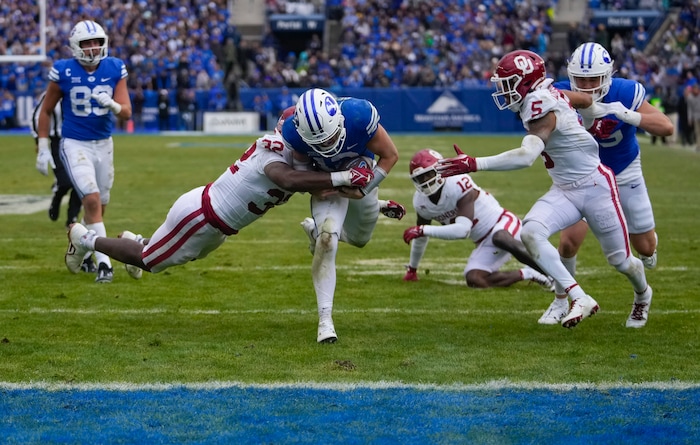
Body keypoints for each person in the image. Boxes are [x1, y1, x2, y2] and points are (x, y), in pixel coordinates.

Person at [437, 49, 652, 329]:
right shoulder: (548, 92)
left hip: (595, 186)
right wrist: (591, 118)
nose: (503, 91)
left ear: (525, 82)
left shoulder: (540, 103)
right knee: (530, 232)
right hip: (564, 188)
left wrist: (474, 163)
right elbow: (585, 99)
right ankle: (576, 296)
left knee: (621, 262)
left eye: (507, 84)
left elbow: (526, 157)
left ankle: (642, 295)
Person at [64, 107, 376, 285]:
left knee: (169, 255)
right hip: (201, 216)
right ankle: (85, 239)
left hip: (217, 226)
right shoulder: (273, 149)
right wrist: (344, 175)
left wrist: (372, 196)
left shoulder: (302, 160)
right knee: (150, 262)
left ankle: (134, 238)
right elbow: (288, 179)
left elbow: (321, 189)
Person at [552, 42, 673, 327]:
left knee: (643, 247)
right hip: (585, 177)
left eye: (593, 78)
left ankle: (647, 267)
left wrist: (628, 115)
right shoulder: (558, 92)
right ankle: (565, 300)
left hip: (624, 171)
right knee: (568, 243)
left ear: (607, 75)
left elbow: (667, 127)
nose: (586, 85)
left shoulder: (625, 92)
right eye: (580, 79)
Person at [280, 88, 405, 343]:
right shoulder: (293, 131)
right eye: (320, 142)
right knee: (328, 240)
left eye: (330, 137)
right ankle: (325, 320)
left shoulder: (358, 114)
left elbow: (390, 155)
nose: (327, 145)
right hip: (326, 184)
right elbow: (303, 177)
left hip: (361, 177)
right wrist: (320, 185)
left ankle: (374, 206)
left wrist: (365, 191)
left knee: (360, 240)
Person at [37, 20, 133, 283]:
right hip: (75, 143)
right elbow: (46, 110)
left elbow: (126, 113)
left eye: (97, 42)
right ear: (75, 46)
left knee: (100, 205)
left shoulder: (114, 67)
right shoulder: (63, 71)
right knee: (90, 200)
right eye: (86, 43)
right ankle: (105, 265)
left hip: (104, 144)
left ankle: (80, 241)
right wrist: (43, 146)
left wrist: (113, 105)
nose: (92, 48)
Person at [402, 149, 553, 291]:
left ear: (440, 170)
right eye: (419, 178)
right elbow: (420, 238)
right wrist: (413, 268)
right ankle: (530, 273)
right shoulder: (421, 202)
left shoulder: (457, 182)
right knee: (474, 278)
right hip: (484, 241)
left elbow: (463, 230)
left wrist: (423, 230)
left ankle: (553, 276)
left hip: (502, 223)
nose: (424, 180)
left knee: (500, 238)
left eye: (428, 174)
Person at [31, 91, 84, 231]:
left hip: (79, 141)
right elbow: (37, 116)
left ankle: (72, 218)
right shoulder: (50, 94)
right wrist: (39, 140)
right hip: (58, 142)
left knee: (82, 182)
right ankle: (58, 194)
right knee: (66, 181)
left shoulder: (80, 89)